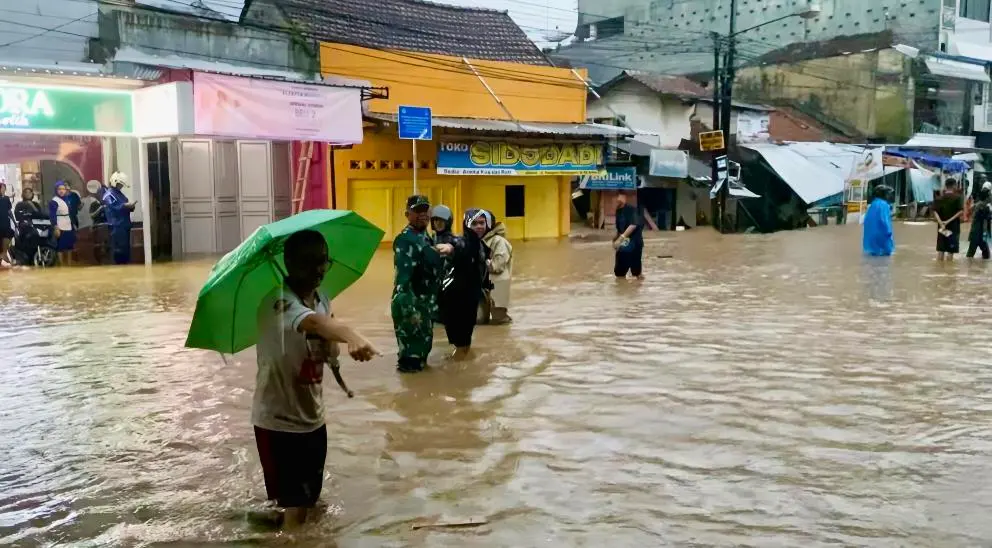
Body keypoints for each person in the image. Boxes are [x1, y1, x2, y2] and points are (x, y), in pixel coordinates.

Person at [253, 229, 377, 528]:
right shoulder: (277, 302)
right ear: (291, 264)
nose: (319, 269)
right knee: (296, 509)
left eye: (323, 261)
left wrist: (336, 346)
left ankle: (269, 525)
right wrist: (351, 335)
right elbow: (313, 322)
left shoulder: (322, 298)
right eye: (310, 262)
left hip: (313, 419)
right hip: (278, 423)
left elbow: (325, 341)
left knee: (311, 503)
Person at [391, 195, 452, 373]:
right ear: (407, 214)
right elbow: (403, 280)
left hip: (424, 307)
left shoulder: (425, 236)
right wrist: (411, 313)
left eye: (425, 211)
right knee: (411, 362)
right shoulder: (405, 240)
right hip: (411, 306)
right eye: (417, 211)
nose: (423, 215)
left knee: (422, 358)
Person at [432, 205, 488, 359]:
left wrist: (451, 248)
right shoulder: (433, 239)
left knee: (462, 338)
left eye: (481, 223)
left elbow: (460, 245)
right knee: (457, 337)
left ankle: (461, 361)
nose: (438, 224)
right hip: (450, 295)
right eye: (436, 220)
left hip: (466, 297)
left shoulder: (463, 241)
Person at [480, 209, 513, 325]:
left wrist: (479, 262)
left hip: (497, 286)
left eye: (482, 223)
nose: (479, 226)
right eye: (475, 223)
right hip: (483, 288)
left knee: (499, 321)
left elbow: (497, 265)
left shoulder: (499, 241)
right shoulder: (481, 240)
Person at [102, 171, 136, 265]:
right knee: (119, 251)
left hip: (124, 225)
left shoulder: (120, 194)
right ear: (114, 182)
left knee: (125, 250)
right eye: (120, 184)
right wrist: (125, 206)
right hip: (116, 226)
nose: (121, 186)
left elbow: (124, 206)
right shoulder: (108, 195)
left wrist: (131, 207)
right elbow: (113, 207)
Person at [613, 191, 644, 279]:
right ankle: (621, 289)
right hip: (623, 244)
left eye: (618, 197)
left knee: (636, 272)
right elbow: (619, 229)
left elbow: (633, 225)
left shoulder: (631, 210)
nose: (617, 200)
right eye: (616, 198)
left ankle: (636, 288)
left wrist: (620, 239)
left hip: (634, 243)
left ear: (624, 198)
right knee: (619, 272)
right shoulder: (618, 211)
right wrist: (616, 239)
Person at [934, 178, 965, 261]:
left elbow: (935, 212)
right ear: (954, 185)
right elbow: (960, 212)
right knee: (950, 251)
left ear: (946, 186)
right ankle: (948, 273)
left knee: (941, 250)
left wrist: (941, 223)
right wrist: (947, 221)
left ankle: (939, 271)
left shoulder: (939, 198)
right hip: (953, 228)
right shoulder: (958, 198)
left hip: (942, 228)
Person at [862, 184, 895, 257]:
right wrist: (889, 234)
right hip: (881, 240)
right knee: (885, 263)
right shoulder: (884, 205)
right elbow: (884, 221)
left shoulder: (872, 205)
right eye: (887, 194)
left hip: (870, 242)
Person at [49, 182, 77, 266]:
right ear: (56, 190)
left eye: (63, 189)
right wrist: (55, 227)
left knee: (69, 246)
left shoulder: (67, 199)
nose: (61, 191)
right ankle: (61, 265)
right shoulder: (54, 201)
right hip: (60, 225)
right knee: (60, 247)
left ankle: (69, 264)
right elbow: (52, 215)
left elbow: (71, 213)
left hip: (68, 224)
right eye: (59, 189)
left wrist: (73, 224)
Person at [967, 188, 992, 260]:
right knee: (985, 255)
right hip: (978, 234)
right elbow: (984, 219)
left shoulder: (979, 205)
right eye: (990, 195)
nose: (991, 197)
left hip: (976, 233)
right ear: (987, 197)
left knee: (971, 254)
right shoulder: (983, 206)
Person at [0, 183, 12, 265]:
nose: (2, 189)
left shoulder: (7, 198)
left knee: (8, 234)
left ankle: (4, 253)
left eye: (4, 188)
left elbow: (9, 211)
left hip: (5, 220)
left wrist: (14, 221)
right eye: (1, 188)